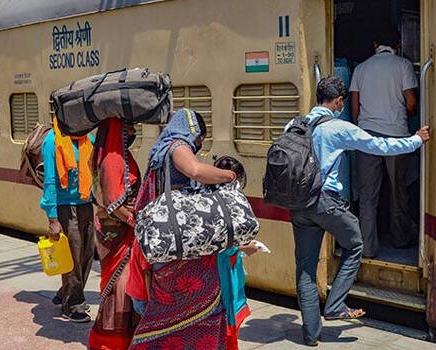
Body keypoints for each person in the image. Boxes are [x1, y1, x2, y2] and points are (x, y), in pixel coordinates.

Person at [287, 76, 429, 346]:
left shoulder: (294, 124)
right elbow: (380, 146)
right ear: (339, 102)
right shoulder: (339, 128)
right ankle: (335, 305)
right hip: (325, 201)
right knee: (355, 244)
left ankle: (310, 335)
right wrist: (415, 140)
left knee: (305, 268)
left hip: (298, 204)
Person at [126, 108, 257, 350]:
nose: (198, 144)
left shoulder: (159, 150)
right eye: (199, 138)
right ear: (192, 132)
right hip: (183, 254)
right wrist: (228, 176)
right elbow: (194, 171)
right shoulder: (177, 146)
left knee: (165, 309)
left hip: (167, 244)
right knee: (196, 307)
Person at [349, 28, 419, 258]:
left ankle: (367, 248)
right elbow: (411, 103)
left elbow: (355, 108)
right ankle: (400, 239)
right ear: (397, 44)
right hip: (397, 136)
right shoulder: (403, 65)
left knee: (368, 195)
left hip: (367, 137)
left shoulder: (361, 68)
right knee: (398, 189)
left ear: (375, 44)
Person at [88, 118, 140, 350]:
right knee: (119, 285)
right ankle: (109, 342)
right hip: (117, 231)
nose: (133, 131)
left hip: (122, 229)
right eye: (128, 127)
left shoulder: (120, 155)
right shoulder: (112, 159)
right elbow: (111, 202)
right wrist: (133, 221)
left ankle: (125, 338)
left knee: (127, 286)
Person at [40, 118, 94, 322]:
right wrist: (52, 217)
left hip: (85, 202)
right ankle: (73, 304)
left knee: (86, 254)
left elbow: (93, 169)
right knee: (72, 257)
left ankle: (65, 293)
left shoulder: (87, 138)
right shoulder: (52, 141)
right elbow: (50, 180)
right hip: (64, 207)